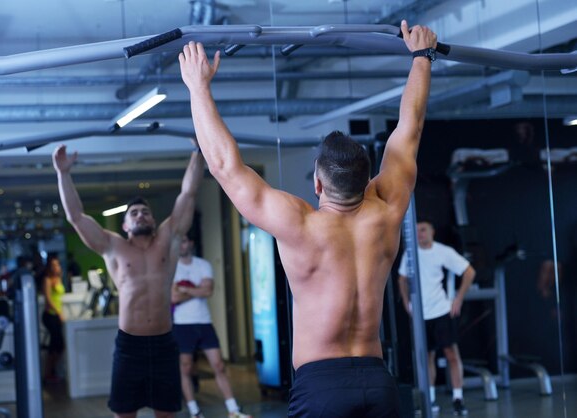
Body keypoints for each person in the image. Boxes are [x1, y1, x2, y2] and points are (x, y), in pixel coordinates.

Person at [179, 19, 436, 418]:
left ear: (317, 184)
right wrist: (421, 57)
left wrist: (198, 88)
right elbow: (411, 128)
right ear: (369, 179)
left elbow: (225, 166)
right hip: (379, 380)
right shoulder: (388, 209)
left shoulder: (299, 224)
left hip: (321, 386)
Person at [53, 144, 204, 418]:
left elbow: (188, 192)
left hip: (163, 343)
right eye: (133, 213)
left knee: (167, 414)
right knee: (124, 414)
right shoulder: (113, 247)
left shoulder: (168, 241)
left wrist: (199, 149)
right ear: (125, 226)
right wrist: (63, 173)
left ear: (154, 219)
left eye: (144, 211)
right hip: (129, 346)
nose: (140, 215)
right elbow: (75, 217)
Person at [397, 220, 476, 416]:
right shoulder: (410, 253)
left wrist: (458, 299)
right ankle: (429, 399)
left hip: (441, 311)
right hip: (421, 315)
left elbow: (469, 272)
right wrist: (407, 303)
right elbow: (401, 279)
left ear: (432, 231)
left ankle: (458, 398)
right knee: (426, 357)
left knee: (451, 355)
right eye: (416, 231)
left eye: (423, 230)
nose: (420, 234)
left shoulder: (443, 251)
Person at [171, 233, 251, 418]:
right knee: (185, 368)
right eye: (178, 242)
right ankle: (194, 411)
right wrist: (197, 290)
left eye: (184, 241)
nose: (181, 245)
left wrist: (184, 289)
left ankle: (233, 409)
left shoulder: (203, 265)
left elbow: (208, 291)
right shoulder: (172, 268)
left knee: (218, 365)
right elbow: (173, 297)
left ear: (190, 243)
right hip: (182, 324)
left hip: (204, 322)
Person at [42, 254, 66, 383]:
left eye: (57, 264)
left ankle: (52, 372)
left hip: (56, 315)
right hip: (50, 315)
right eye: (54, 265)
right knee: (55, 345)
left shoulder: (59, 278)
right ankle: (48, 374)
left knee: (59, 346)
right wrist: (59, 312)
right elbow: (48, 299)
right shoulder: (47, 280)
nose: (57, 267)